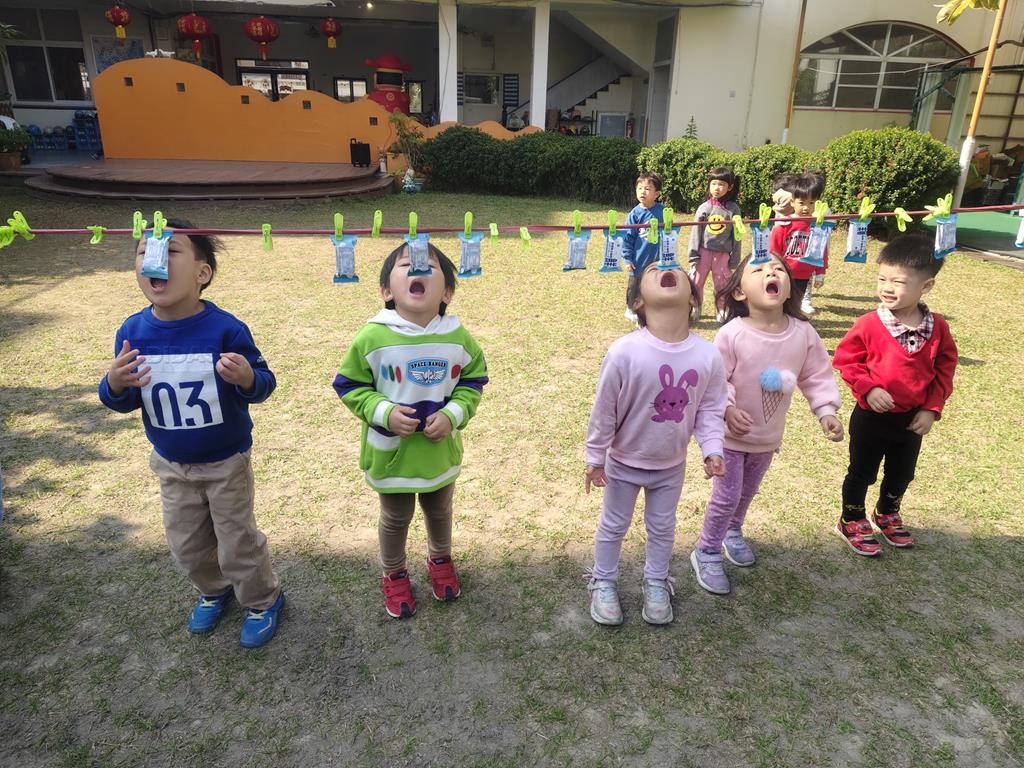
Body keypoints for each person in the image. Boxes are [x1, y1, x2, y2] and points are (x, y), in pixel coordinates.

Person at [98, 218, 284, 648]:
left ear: (203, 273)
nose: (154, 258)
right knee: (186, 543)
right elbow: (124, 401)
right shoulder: (132, 332)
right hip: (171, 464)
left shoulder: (226, 329)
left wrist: (246, 377)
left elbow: (264, 383)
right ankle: (214, 590)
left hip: (226, 462)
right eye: (145, 252)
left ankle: (262, 600)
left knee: (237, 541)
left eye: (170, 250)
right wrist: (116, 383)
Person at [333, 243, 488, 618]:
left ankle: (440, 559)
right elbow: (350, 385)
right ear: (386, 289)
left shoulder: (458, 338)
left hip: (439, 451)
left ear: (447, 292)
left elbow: (473, 380)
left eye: (428, 266)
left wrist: (453, 414)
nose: (417, 271)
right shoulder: (372, 337)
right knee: (395, 517)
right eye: (406, 265)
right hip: (392, 455)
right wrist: (384, 413)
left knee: (440, 510)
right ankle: (394, 573)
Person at [585, 256, 727, 626]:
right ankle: (603, 580)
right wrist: (595, 457)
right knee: (613, 525)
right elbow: (604, 410)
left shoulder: (707, 355)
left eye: (677, 269)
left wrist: (712, 449)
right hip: (623, 462)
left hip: (670, 466)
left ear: (693, 298)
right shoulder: (623, 352)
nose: (666, 269)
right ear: (638, 302)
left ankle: (656, 581)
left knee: (663, 528)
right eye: (653, 271)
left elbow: (711, 408)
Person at [691, 254, 843, 594]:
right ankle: (707, 550)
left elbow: (817, 375)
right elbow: (715, 381)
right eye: (758, 270)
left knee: (747, 491)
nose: (770, 273)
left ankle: (733, 530)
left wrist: (826, 411)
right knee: (727, 495)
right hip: (729, 438)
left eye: (778, 269)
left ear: (789, 288)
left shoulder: (803, 333)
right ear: (739, 292)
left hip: (767, 437)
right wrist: (728, 409)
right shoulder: (732, 334)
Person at [832, 234, 957, 555]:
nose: (887, 287)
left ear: (926, 286)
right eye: (882, 279)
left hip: (911, 420)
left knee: (903, 473)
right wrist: (868, 387)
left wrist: (931, 408)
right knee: (862, 472)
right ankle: (851, 518)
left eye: (898, 282)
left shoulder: (937, 328)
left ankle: (887, 513)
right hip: (871, 418)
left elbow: (945, 369)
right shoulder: (869, 324)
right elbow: (846, 360)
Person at [687, 166, 743, 323]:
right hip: (703, 253)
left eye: (721, 184)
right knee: (696, 282)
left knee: (722, 284)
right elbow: (696, 232)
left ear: (730, 187)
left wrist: (735, 258)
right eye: (714, 184)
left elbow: (737, 235)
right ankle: (694, 308)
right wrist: (693, 255)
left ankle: (722, 308)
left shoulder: (734, 209)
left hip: (722, 255)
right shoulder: (704, 207)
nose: (717, 188)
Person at [769, 170, 827, 315]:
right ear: (792, 202)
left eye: (811, 203)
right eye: (801, 203)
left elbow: (821, 251)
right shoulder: (784, 224)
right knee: (779, 302)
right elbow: (774, 249)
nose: (806, 207)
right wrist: (773, 268)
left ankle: (791, 322)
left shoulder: (817, 226)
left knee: (795, 304)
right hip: (784, 273)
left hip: (804, 275)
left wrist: (820, 273)